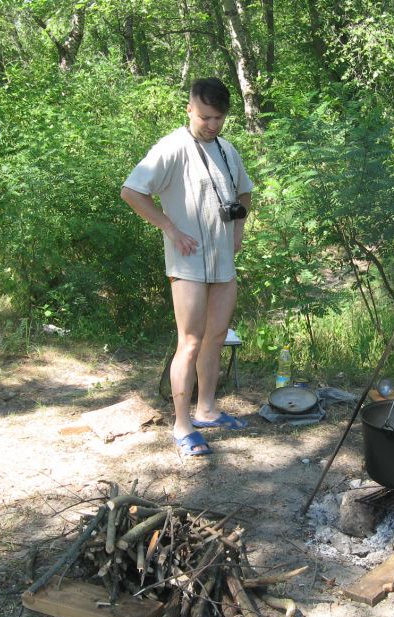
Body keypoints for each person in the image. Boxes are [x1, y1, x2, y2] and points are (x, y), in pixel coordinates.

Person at [120, 77, 253, 457]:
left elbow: (244, 192)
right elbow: (131, 191)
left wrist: (238, 229)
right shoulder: (172, 147)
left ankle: (207, 409)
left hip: (223, 263)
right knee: (191, 341)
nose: (212, 125)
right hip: (189, 262)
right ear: (190, 109)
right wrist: (170, 228)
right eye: (206, 117)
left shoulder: (227, 150)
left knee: (217, 336)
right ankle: (182, 425)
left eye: (219, 118)